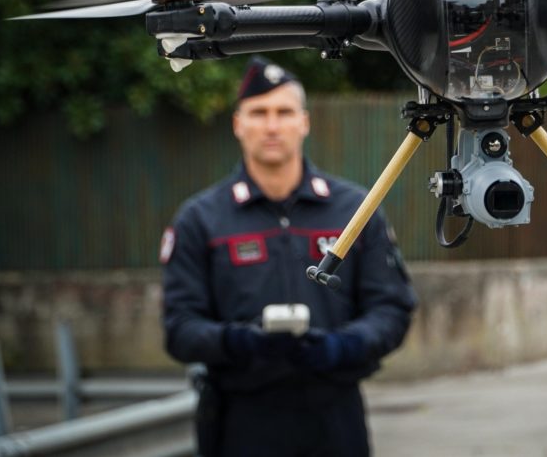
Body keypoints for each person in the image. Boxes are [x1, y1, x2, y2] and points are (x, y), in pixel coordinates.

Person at [161, 56, 417, 457]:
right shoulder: (201, 219)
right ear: (237, 124)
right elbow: (180, 328)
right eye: (259, 113)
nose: (272, 125)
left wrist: (341, 346)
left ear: (304, 122)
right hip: (242, 421)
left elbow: (392, 308)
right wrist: (239, 341)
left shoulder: (356, 209)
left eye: (284, 111)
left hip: (335, 418)